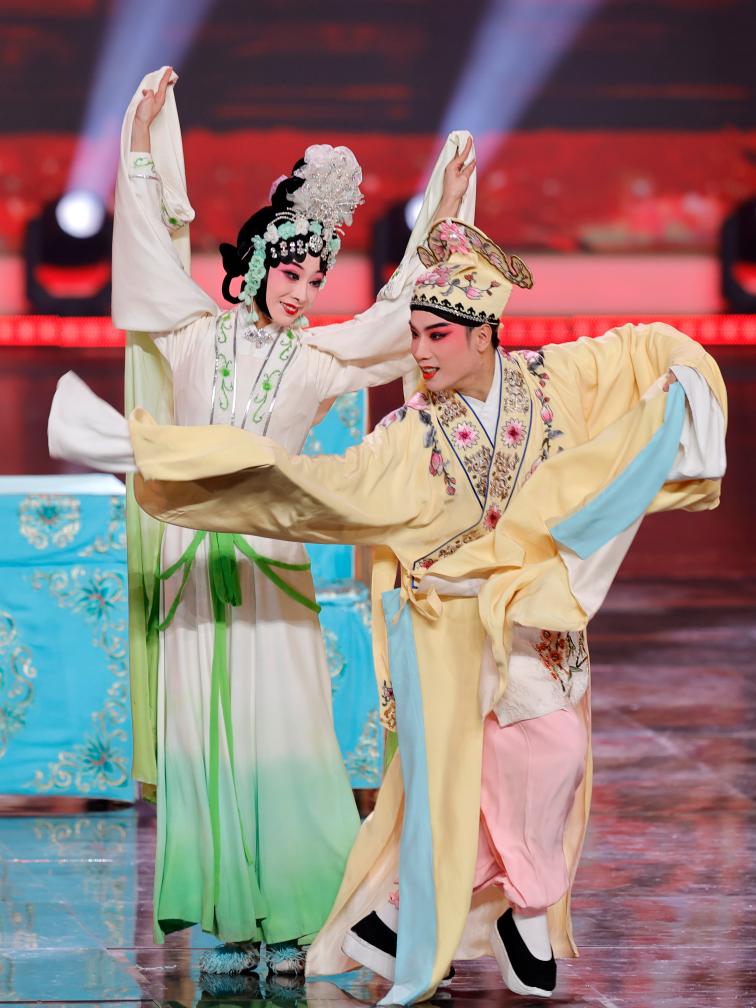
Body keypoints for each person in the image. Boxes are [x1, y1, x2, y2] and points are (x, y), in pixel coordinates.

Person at [54, 218, 726, 1003]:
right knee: (458, 788)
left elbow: (644, 346)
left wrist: (687, 379)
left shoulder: (556, 381)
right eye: (414, 336)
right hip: (446, 635)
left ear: (484, 334)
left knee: (557, 757)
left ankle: (413, 916)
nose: (422, 353)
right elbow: (308, 488)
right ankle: (481, 912)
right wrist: (149, 452)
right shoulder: (410, 435)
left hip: (532, 623)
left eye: (438, 335)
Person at [50, 66, 475, 977]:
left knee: (287, 737)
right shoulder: (192, 333)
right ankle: (229, 926)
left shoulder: (319, 359)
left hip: (271, 565)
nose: (303, 291)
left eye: (316, 278)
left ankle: (296, 919)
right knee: (203, 740)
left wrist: (444, 208)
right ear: (252, 265)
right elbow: (147, 252)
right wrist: (141, 144)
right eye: (291, 273)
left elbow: (398, 314)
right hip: (192, 564)